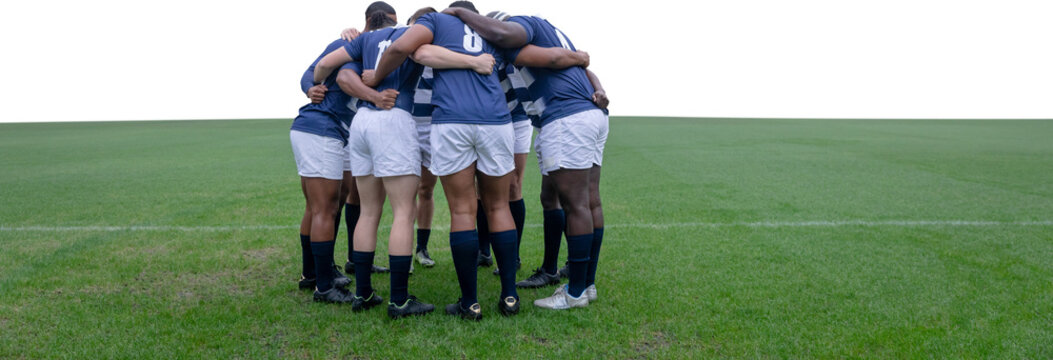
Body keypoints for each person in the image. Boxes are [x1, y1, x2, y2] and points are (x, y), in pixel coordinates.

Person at [313, 2, 499, 317]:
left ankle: (363, 294)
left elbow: (324, 65)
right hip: (394, 118)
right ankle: (398, 300)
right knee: (402, 212)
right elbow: (426, 55)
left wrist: (319, 84)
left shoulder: (363, 40)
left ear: (370, 21)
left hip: (362, 124)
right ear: (398, 21)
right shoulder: (411, 34)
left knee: (368, 212)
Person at [363, 0, 519, 320]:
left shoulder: (437, 21)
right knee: (499, 206)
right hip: (497, 121)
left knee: (463, 210)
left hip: (452, 120)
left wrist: (376, 77)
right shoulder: (493, 32)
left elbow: (412, 51)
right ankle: (510, 295)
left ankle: (470, 302)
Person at [445, 8, 610, 310]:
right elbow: (582, 64)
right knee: (587, 200)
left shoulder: (518, 28)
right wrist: (598, 89)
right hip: (590, 115)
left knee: (576, 203)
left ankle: (575, 292)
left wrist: (462, 13)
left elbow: (543, 53)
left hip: (566, 117)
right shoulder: (553, 33)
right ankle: (586, 283)